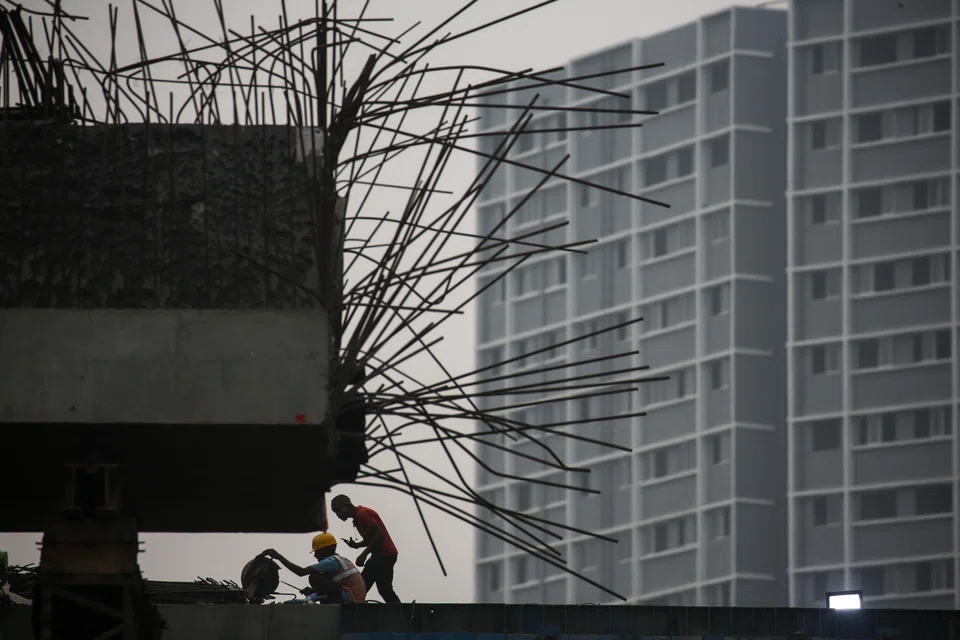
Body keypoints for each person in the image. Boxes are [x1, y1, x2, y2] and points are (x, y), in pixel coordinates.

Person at [330, 494, 400, 603]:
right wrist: (356, 545)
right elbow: (371, 539)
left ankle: (403, 612)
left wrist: (364, 554)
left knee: (383, 589)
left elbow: (379, 535)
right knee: (362, 587)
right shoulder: (357, 519)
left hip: (386, 555)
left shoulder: (363, 514)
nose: (338, 515)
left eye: (338, 510)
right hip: (378, 556)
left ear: (346, 506)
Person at [261, 532, 365, 604]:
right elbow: (334, 585)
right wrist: (315, 592)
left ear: (325, 549)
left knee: (314, 577)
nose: (315, 555)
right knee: (318, 577)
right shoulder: (339, 560)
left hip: (350, 598)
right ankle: (330, 598)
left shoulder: (330, 561)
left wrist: (279, 557)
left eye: (317, 552)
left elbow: (301, 572)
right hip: (353, 597)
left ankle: (333, 600)